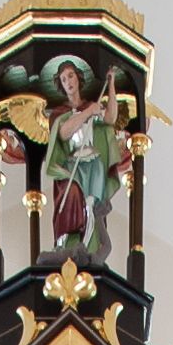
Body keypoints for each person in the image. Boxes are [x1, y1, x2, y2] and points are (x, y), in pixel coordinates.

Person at [43, 59, 126, 262]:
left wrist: (111, 84)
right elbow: (64, 133)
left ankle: (87, 246)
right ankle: (62, 244)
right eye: (63, 79)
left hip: (93, 163)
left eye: (70, 76)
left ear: (78, 78)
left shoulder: (91, 105)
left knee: (91, 204)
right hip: (73, 167)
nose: (68, 82)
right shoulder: (60, 113)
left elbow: (110, 118)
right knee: (70, 195)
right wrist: (88, 112)